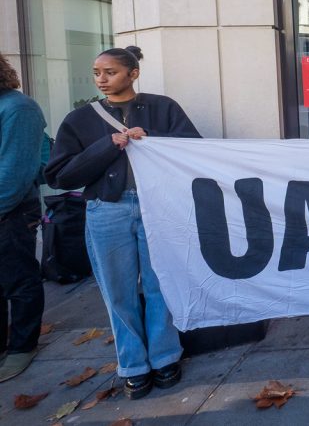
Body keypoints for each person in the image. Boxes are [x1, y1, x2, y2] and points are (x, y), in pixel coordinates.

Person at [45, 46, 200, 399]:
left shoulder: (163, 107)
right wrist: (106, 146)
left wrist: (155, 140)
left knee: (162, 284)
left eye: (110, 72)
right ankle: (133, 364)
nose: (101, 79)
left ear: (133, 74)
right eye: (97, 72)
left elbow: (194, 148)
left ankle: (165, 357)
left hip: (157, 209)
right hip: (106, 210)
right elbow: (60, 176)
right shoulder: (79, 119)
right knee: (118, 289)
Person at [0, 53, 46, 382]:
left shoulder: (18, 108)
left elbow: (13, 175)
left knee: (19, 279)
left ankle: (22, 346)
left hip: (12, 209)